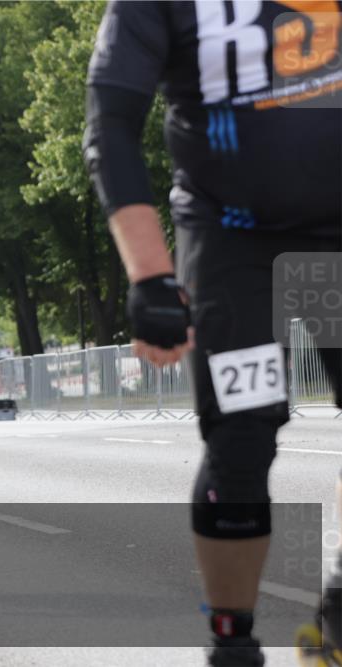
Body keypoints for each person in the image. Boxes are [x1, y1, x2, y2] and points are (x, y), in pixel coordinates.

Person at [83, 4, 341, 665]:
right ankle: (234, 644)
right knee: (241, 436)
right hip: (234, 240)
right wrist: (148, 276)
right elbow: (111, 121)